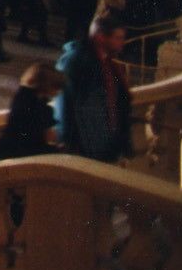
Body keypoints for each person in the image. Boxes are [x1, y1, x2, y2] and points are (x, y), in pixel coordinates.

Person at [57, 15, 134, 162]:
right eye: (117, 38)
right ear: (100, 37)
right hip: (87, 147)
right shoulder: (76, 61)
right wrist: (70, 143)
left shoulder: (108, 63)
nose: (122, 44)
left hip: (105, 144)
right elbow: (66, 104)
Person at [0, 63, 64, 159]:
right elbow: (49, 137)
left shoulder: (22, 95)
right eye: (56, 88)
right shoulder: (41, 108)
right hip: (22, 157)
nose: (58, 92)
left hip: (5, 151)